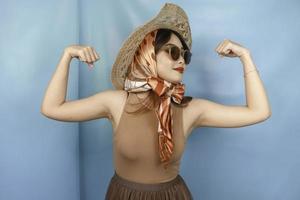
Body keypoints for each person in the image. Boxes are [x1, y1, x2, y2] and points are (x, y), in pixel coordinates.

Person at [41, 3, 271, 200]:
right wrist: (67, 56)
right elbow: (52, 108)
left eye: (185, 55)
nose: (182, 60)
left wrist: (245, 57)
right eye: (173, 52)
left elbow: (259, 112)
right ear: (149, 53)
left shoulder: (191, 108)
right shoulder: (117, 102)